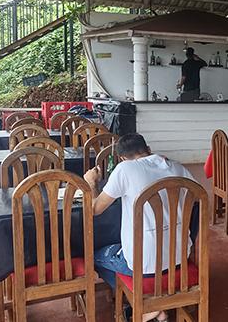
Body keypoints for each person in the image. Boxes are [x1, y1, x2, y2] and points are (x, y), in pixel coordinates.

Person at [84, 133, 197, 322]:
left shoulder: (124, 170)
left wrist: (90, 182)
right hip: (180, 257)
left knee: (95, 256)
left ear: (122, 158)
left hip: (143, 265)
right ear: (148, 150)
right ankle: (153, 306)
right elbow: (197, 199)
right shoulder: (178, 168)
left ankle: (143, 304)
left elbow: (94, 209)